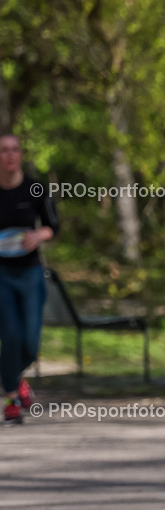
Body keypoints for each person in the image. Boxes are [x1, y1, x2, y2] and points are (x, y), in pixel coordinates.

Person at [0, 133, 58, 425]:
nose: (10, 155)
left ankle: (14, 378)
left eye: (14, 149)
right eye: (3, 150)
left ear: (21, 154)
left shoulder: (35, 188)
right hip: (1, 274)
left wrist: (37, 235)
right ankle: (11, 399)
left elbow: (53, 226)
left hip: (31, 272)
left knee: (30, 345)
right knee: (10, 336)